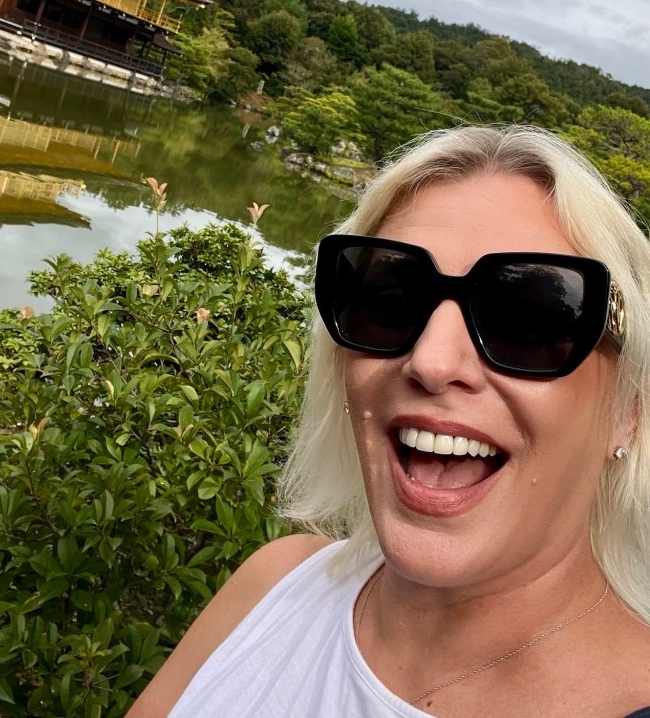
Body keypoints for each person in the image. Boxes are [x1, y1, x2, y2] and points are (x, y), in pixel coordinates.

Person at [128, 125, 650, 718]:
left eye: (527, 320)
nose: (431, 361)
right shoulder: (275, 583)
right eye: (390, 301)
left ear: (628, 410)